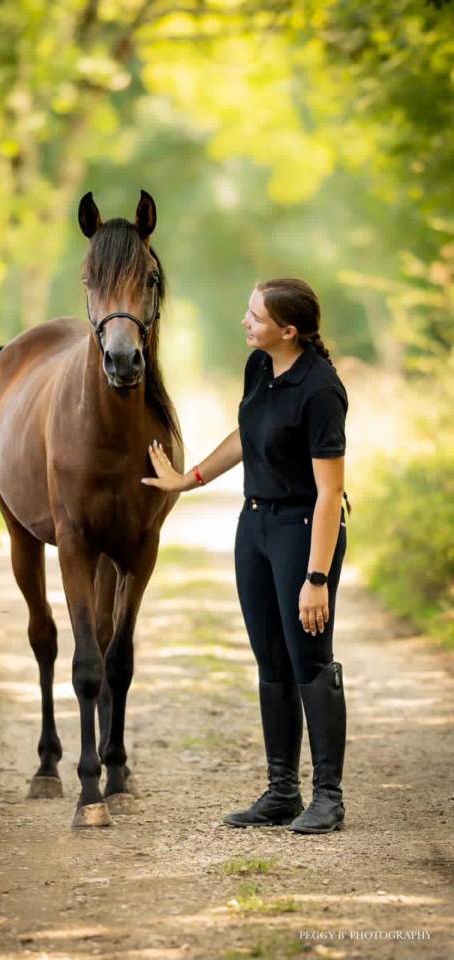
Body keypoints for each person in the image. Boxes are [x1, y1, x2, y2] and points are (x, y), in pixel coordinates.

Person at [141, 278, 349, 834]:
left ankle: (328, 797)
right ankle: (282, 791)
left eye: (255, 315)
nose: (245, 321)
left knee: (309, 659)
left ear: (288, 330)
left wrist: (317, 576)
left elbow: (330, 493)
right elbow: (246, 434)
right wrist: (189, 479)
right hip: (253, 527)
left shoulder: (321, 388)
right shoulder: (259, 368)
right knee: (270, 659)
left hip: (302, 529)